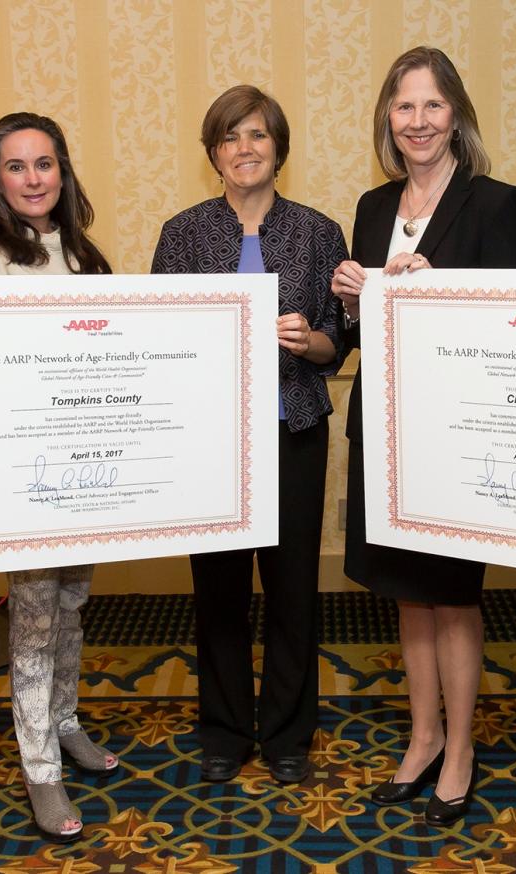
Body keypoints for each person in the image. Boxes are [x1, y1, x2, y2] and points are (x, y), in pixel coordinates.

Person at [330, 46, 516, 827]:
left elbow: (509, 319)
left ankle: (460, 750)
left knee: (452, 595)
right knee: (405, 595)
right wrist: (352, 298)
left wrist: (437, 287)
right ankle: (420, 739)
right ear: (389, 116)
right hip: (383, 427)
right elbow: (356, 337)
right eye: (405, 106)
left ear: (457, 116)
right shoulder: (372, 207)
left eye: (433, 106)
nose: (418, 121)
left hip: (457, 429)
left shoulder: (494, 202)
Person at [151, 85, 346, 786]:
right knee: (220, 591)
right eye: (230, 137)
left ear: (279, 148)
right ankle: (226, 731)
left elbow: (339, 343)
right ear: (213, 152)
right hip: (211, 441)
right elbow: (162, 337)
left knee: (293, 587)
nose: (244, 149)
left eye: (258, 135)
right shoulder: (182, 233)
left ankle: (290, 733)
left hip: (292, 426)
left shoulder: (319, 232)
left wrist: (310, 339)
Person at [0, 111, 118, 843]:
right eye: (15, 167)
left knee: (73, 600)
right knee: (33, 616)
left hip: (83, 469)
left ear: (63, 172)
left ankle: (64, 720)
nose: (32, 178)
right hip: (24, 475)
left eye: (44, 163)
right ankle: (39, 768)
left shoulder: (85, 256)